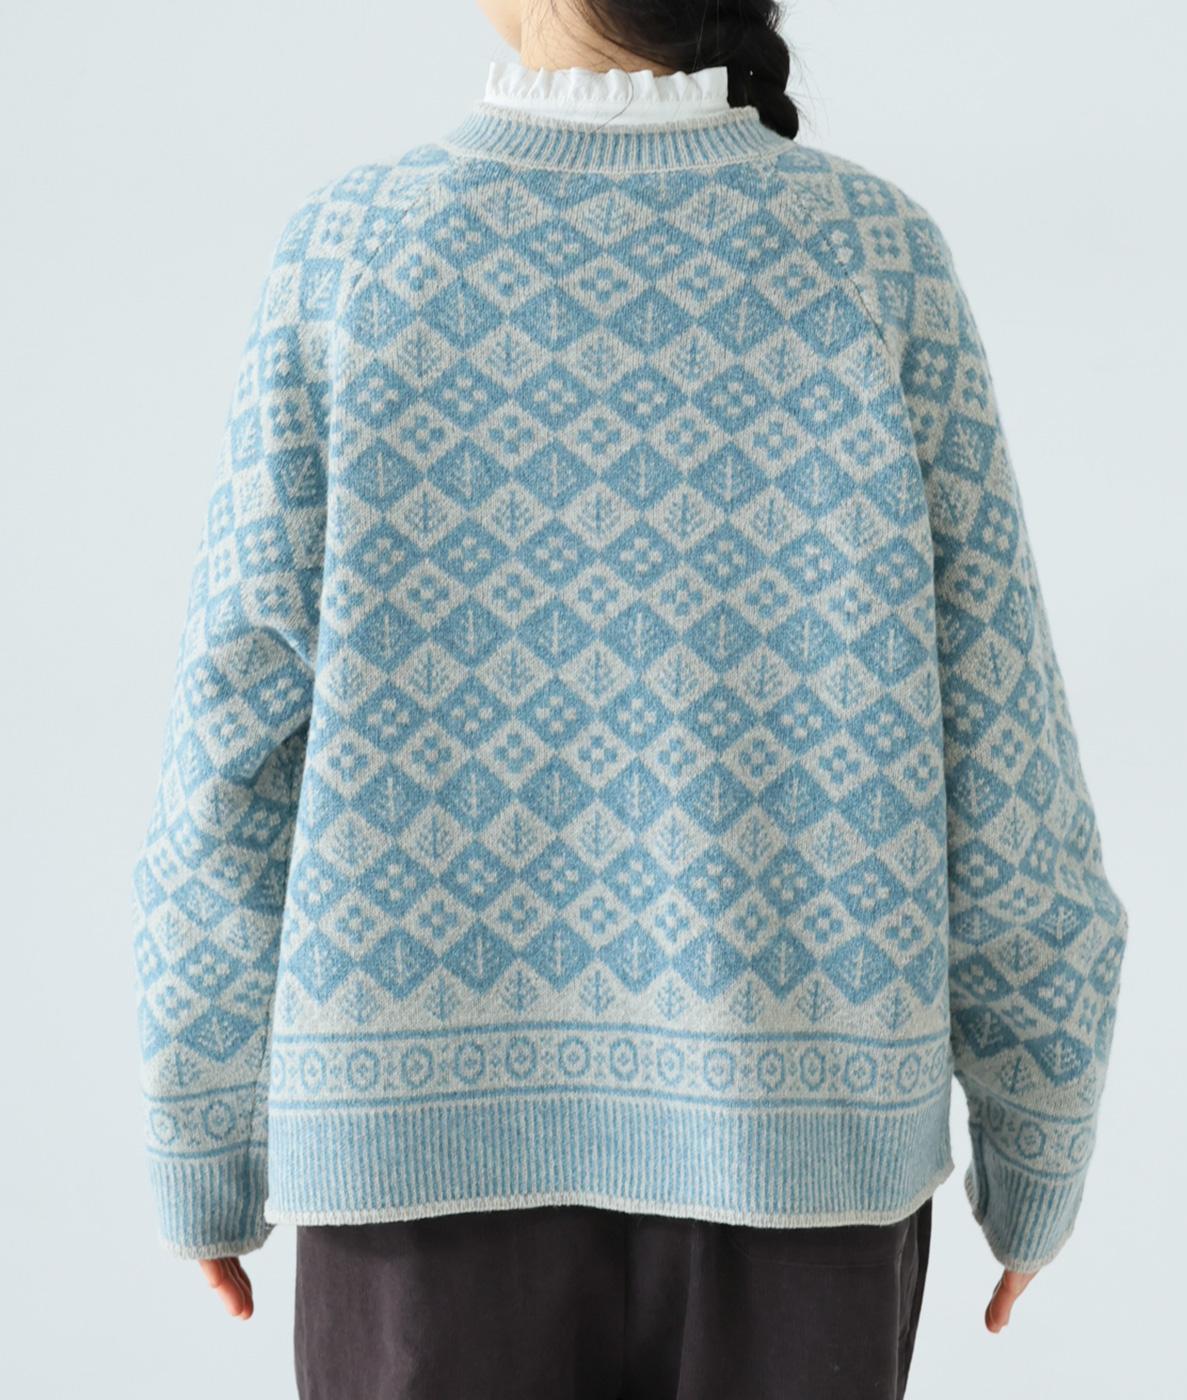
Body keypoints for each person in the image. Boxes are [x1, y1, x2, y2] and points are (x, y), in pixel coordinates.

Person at [130, 1, 1131, 1394]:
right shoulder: (870, 255)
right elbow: (1007, 749)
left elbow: (227, 748)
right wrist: (1040, 1129)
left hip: (411, 1180)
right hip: (802, 1169)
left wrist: (201, 1129)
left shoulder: (352, 254)